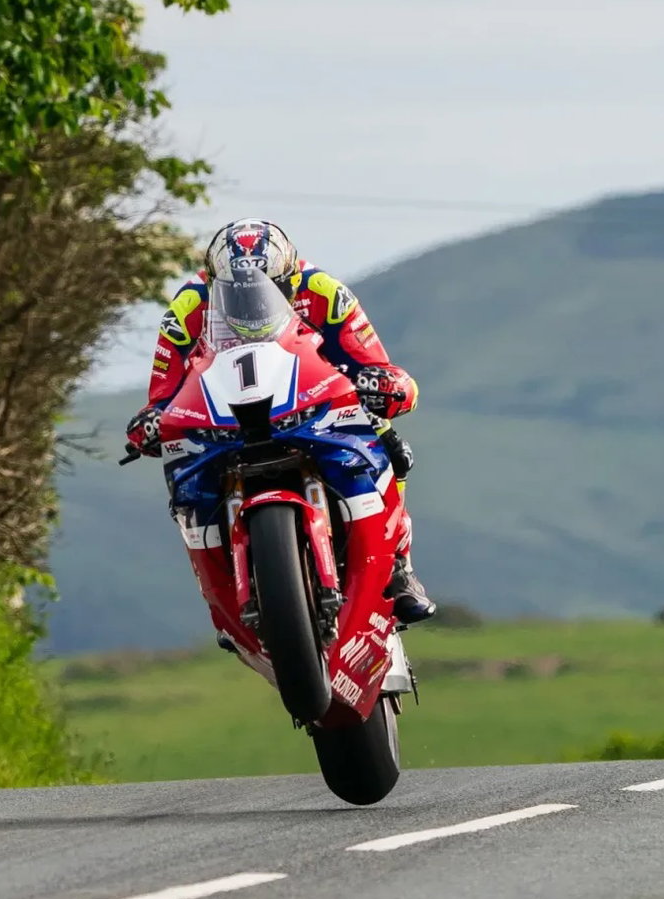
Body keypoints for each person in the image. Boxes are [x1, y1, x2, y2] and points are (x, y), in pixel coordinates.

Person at [125, 217, 436, 624]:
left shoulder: (324, 291)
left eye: (267, 288)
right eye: (236, 292)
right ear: (215, 283)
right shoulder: (188, 305)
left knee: (389, 445)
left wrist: (384, 383)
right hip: (226, 416)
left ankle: (399, 565)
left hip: (311, 399)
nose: (251, 302)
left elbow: (372, 361)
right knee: (188, 485)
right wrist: (152, 420)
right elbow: (163, 390)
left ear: (289, 277)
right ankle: (221, 596)